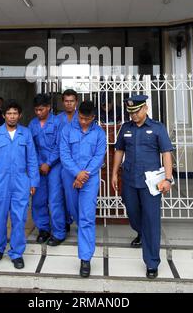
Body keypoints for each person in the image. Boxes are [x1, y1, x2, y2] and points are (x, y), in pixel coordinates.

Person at [111, 95, 173, 279]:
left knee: (152, 221)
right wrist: (114, 173)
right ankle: (141, 232)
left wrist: (168, 179)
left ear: (145, 108)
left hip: (151, 183)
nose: (134, 115)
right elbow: (119, 150)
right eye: (130, 112)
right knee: (133, 214)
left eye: (136, 111)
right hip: (130, 180)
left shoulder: (157, 128)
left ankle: (152, 262)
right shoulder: (126, 128)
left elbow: (167, 153)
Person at [0, 100, 39, 269]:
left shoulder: (26, 134)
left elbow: (32, 159)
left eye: (15, 113)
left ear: (19, 115)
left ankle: (16, 253)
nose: (12, 116)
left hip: (21, 182)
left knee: (19, 219)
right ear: (4, 115)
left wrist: (33, 181)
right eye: (9, 113)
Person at [60, 101, 106, 278]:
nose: (83, 122)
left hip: (90, 179)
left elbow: (98, 157)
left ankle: (85, 259)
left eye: (87, 119)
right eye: (81, 118)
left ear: (93, 117)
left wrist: (84, 175)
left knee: (87, 217)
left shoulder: (99, 133)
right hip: (70, 177)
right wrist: (76, 173)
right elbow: (64, 154)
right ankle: (83, 234)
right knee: (74, 211)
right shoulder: (67, 130)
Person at [29, 94, 66, 246]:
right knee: (38, 199)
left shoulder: (58, 122)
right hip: (38, 167)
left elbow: (60, 146)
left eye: (41, 109)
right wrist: (39, 164)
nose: (39, 113)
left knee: (55, 200)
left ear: (49, 108)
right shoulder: (32, 124)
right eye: (36, 110)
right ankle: (43, 229)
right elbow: (31, 147)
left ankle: (59, 232)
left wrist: (49, 163)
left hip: (55, 166)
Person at [56, 89, 79, 232]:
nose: (69, 104)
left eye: (71, 101)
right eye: (66, 101)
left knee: (74, 195)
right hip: (60, 161)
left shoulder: (82, 117)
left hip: (77, 162)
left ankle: (78, 219)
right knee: (60, 194)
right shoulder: (57, 119)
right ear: (63, 102)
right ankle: (64, 221)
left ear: (76, 102)